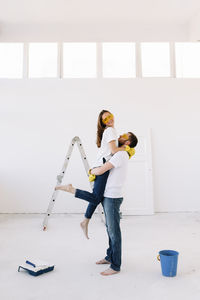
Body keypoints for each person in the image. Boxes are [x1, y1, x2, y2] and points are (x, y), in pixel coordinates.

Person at [55, 132, 138, 276]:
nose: (119, 136)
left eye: (124, 135)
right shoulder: (119, 153)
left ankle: (115, 266)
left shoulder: (121, 155)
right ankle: (109, 256)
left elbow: (101, 170)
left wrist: (91, 170)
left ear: (128, 142)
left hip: (113, 197)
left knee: (114, 232)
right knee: (109, 229)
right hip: (109, 195)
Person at [58, 110, 126, 239]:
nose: (109, 120)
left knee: (96, 197)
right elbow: (113, 150)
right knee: (96, 198)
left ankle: (85, 221)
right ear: (102, 123)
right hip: (102, 166)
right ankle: (71, 189)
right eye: (105, 119)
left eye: (110, 116)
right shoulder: (110, 130)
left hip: (100, 165)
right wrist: (125, 149)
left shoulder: (109, 131)